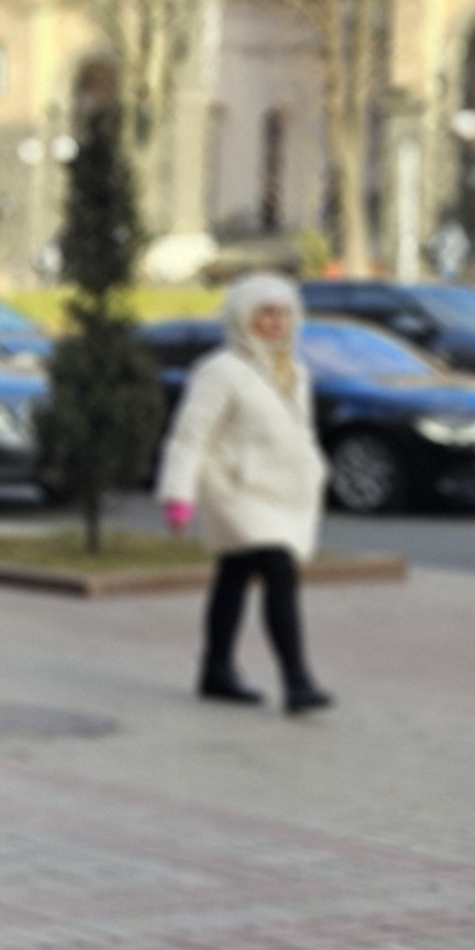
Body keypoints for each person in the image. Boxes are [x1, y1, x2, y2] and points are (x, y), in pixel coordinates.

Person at [157, 272, 332, 713]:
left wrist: (313, 469)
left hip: (282, 491)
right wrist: (179, 493)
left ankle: (216, 669)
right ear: (242, 317)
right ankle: (297, 681)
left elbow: (299, 431)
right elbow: (190, 435)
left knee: (234, 573)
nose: (277, 322)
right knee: (278, 569)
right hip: (235, 487)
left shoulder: (293, 371)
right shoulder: (220, 370)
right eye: (266, 313)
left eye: (285, 312)